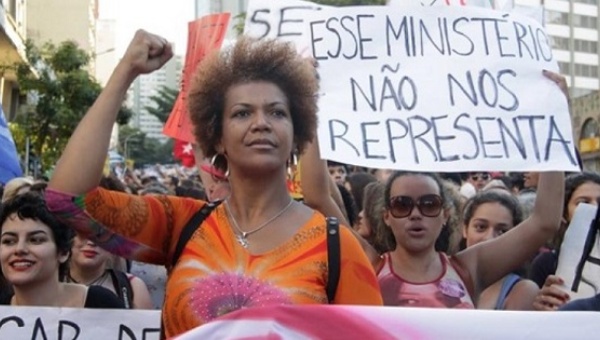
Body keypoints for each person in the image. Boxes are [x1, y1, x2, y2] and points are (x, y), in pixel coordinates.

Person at [45, 31, 381, 338]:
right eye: (242, 113)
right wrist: (125, 73)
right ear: (217, 137)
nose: (261, 123)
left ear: (297, 134)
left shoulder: (337, 246)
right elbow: (66, 199)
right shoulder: (181, 225)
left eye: (277, 113)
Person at [375, 169, 562, 308]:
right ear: (386, 216)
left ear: (445, 215)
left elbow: (544, 223)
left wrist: (552, 148)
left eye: (429, 204)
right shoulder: (368, 266)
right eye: (401, 205)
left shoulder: (468, 269)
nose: (415, 214)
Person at [0, 192, 124, 308]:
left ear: (63, 252)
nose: (20, 249)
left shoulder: (101, 304)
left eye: (36, 240)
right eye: (8, 241)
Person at [531, 171, 600, 310]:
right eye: (583, 203)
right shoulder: (546, 264)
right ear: (564, 214)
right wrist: (541, 307)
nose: (595, 208)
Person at [462, 191, 539, 310]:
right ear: (465, 230)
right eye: (481, 227)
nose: (489, 238)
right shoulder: (441, 279)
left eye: (502, 231)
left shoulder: (522, 291)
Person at [68, 234, 153, 309]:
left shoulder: (133, 287)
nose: (91, 242)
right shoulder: (54, 281)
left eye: (101, 235)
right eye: (83, 234)